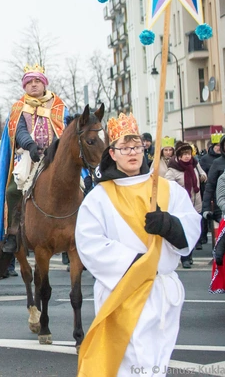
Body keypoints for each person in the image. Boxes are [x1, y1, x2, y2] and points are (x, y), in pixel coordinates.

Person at [75, 113, 201, 376]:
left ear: (144, 149)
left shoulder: (167, 190)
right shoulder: (99, 198)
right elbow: (89, 243)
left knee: (155, 362)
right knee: (128, 362)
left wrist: (169, 225)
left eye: (136, 147)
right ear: (113, 153)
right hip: (123, 291)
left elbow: (191, 225)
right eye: (124, 147)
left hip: (161, 293)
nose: (131, 153)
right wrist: (136, 263)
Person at [0, 64, 67, 254]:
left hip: (56, 156)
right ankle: (13, 232)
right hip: (29, 155)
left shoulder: (59, 105)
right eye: (29, 82)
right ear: (24, 86)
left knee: (78, 185)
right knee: (12, 190)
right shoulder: (18, 107)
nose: (33, 85)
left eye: (37, 81)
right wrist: (30, 146)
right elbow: (19, 131)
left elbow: (64, 131)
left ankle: (74, 235)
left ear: (44, 84)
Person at [164, 141, 207, 268]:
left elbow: (203, 174)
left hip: (196, 202)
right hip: (182, 205)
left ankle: (190, 255)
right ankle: (185, 258)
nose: (187, 156)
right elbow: (167, 185)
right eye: (184, 154)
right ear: (178, 156)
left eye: (188, 153)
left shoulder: (194, 165)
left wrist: (203, 176)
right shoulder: (173, 169)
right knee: (184, 232)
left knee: (194, 230)